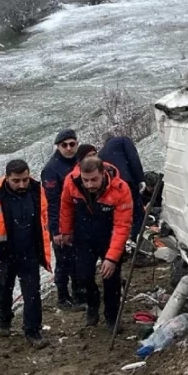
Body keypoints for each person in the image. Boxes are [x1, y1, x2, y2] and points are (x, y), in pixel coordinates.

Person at [0, 159, 51, 349]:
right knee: (3, 291)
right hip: (3, 254)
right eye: (16, 181)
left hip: (29, 251)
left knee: (32, 293)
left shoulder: (36, 189)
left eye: (25, 179)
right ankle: (4, 321)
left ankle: (33, 331)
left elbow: (44, 216)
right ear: (7, 177)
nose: (22, 184)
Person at [59, 156, 134, 332]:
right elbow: (66, 206)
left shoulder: (120, 189)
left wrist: (112, 257)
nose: (90, 184)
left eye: (94, 180)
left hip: (109, 238)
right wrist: (66, 230)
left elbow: (122, 226)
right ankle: (93, 304)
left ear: (103, 174)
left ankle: (112, 317)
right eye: (86, 180)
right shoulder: (71, 182)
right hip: (83, 236)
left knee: (111, 278)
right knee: (83, 276)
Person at [42, 129, 84, 310]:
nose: (68, 148)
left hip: (80, 220)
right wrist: (56, 230)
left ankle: (79, 294)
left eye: (72, 144)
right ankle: (62, 297)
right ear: (58, 146)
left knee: (79, 259)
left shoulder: (81, 162)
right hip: (60, 222)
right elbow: (52, 203)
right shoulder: (51, 169)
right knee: (64, 261)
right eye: (64, 145)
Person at [99, 132, 146, 238]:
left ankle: (126, 239)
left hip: (113, 189)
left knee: (123, 214)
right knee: (137, 211)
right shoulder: (123, 140)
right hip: (127, 182)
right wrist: (140, 179)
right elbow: (133, 158)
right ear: (113, 136)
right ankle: (138, 237)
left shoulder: (100, 154)